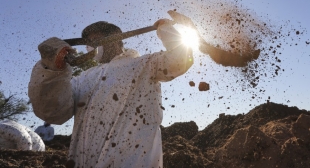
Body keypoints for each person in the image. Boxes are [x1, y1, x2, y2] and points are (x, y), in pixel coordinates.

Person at [28, 18, 193, 167]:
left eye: (96, 40)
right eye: (88, 43)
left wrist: (166, 30)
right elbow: (54, 113)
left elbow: (179, 60)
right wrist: (52, 68)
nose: (91, 47)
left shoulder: (145, 64)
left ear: (116, 41)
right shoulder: (83, 79)